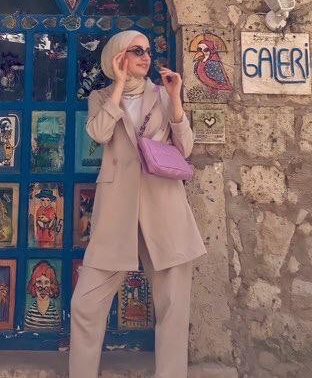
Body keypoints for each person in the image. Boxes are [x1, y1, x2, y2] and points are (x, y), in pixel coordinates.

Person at [68, 30, 207, 378]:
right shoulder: (100, 97)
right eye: (137, 51)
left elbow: (185, 148)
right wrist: (117, 86)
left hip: (164, 206)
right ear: (119, 57)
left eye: (147, 51)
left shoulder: (161, 94)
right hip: (118, 209)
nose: (146, 57)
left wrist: (175, 100)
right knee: (85, 303)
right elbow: (99, 133)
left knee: (173, 306)